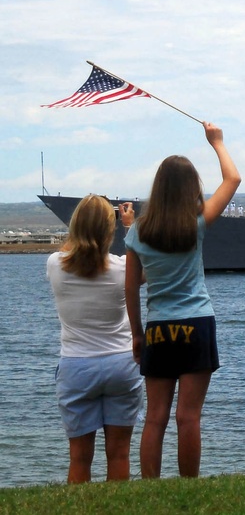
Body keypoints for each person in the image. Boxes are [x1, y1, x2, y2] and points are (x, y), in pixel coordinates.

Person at [124, 121, 241, 478]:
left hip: (159, 327)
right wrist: (217, 142)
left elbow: (131, 289)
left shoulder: (136, 232)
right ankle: (189, 485)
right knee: (188, 416)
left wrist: (137, 334)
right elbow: (233, 180)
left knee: (156, 416)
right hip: (197, 323)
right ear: (192, 188)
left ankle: (150, 486)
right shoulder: (197, 223)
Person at [47, 195, 144, 483]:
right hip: (121, 365)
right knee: (119, 453)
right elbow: (143, 267)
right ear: (109, 230)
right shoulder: (122, 269)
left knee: (79, 457)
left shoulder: (55, 264)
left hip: (77, 366)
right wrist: (131, 227)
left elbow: (72, 253)